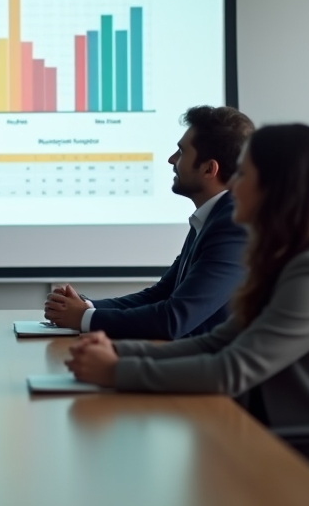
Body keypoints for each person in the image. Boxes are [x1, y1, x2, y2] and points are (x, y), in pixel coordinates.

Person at [66, 124, 309, 456]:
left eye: (244, 174)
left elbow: (232, 370)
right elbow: (216, 343)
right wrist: (119, 352)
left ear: (278, 188)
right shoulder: (283, 261)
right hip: (271, 440)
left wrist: (116, 371)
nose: (232, 185)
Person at [44, 105, 254, 339]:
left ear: (209, 169)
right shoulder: (213, 216)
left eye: (181, 152)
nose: (171, 159)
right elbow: (161, 294)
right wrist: (87, 307)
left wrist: (84, 318)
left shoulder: (233, 225)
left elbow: (173, 319)